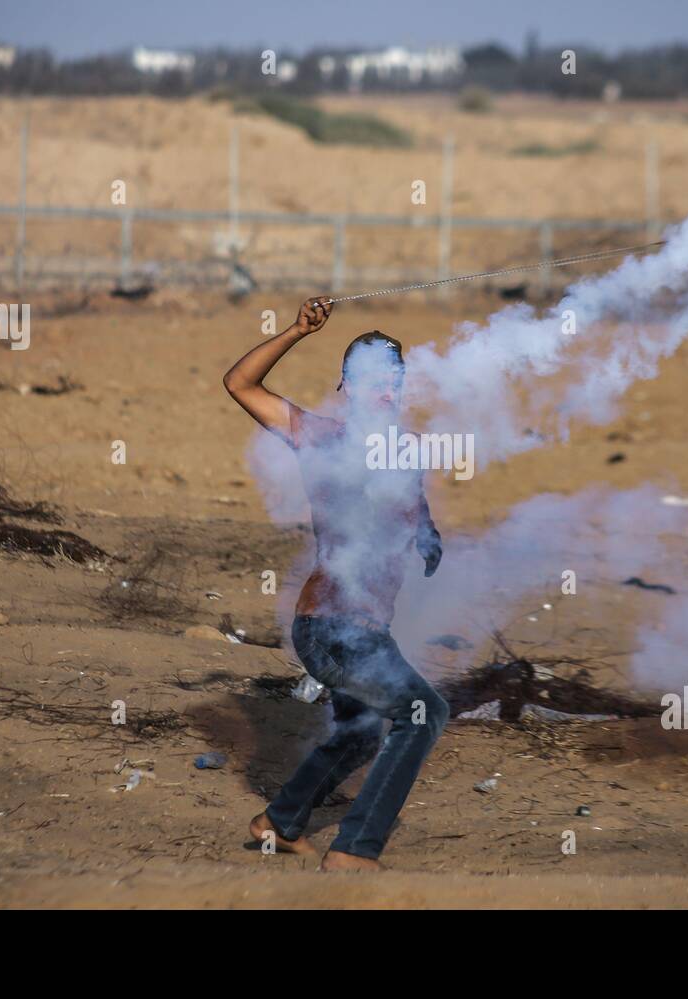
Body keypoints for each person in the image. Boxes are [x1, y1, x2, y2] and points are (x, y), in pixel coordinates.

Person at [222, 296, 449, 871]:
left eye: (394, 377)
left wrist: (427, 534)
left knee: (362, 732)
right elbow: (240, 383)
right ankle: (354, 851)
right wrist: (298, 329)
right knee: (425, 712)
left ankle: (280, 820)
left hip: (368, 629)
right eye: (371, 376)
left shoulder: (406, 454)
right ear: (345, 384)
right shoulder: (318, 435)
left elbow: (413, 507)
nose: (385, 387)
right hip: (330, 626)